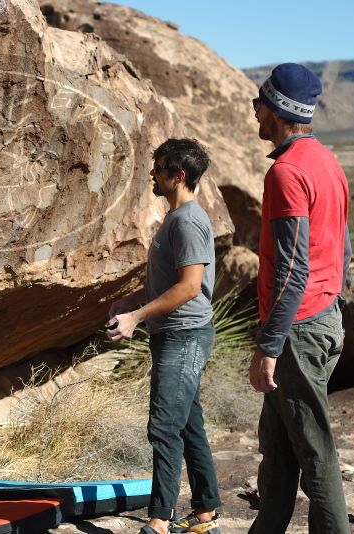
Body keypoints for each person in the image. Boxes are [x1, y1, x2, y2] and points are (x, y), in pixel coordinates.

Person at [247, 63, 351, 534]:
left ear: (275, 111)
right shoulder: (327, 161)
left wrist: (270, 346)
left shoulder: (286, 173)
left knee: (313, 448)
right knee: (279, 442)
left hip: (298, 329)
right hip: (322, 317)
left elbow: (292, 268)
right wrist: (333, 304)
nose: (254, 112)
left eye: (259, 104)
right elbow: (343, 247)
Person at [106, 139, 221, 534]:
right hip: (175, 336)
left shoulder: (188, 221)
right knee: (188, 425)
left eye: (158, 168)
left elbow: (190, 287)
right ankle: (206, 510)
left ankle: (159, 520)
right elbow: (171, 279)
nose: (152, 174)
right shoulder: (175, 219)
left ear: (179, 175)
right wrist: (132, 299)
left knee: (164, 428)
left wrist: (136, 317)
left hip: (184, 337)